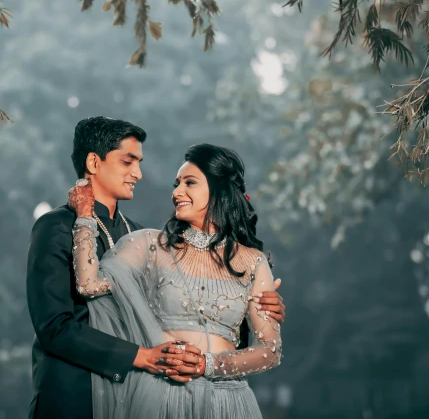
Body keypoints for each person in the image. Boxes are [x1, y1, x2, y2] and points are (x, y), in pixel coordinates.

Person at [26, 117, 285, 418]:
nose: (138, 173)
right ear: (94, 163)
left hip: (146, 393)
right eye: (128, 162)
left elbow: (194, 312)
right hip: (75, 393)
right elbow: (56, 326)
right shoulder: (56, 226)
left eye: (139, 162)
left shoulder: (142, 236)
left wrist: (256, 301)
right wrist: (142, 357)